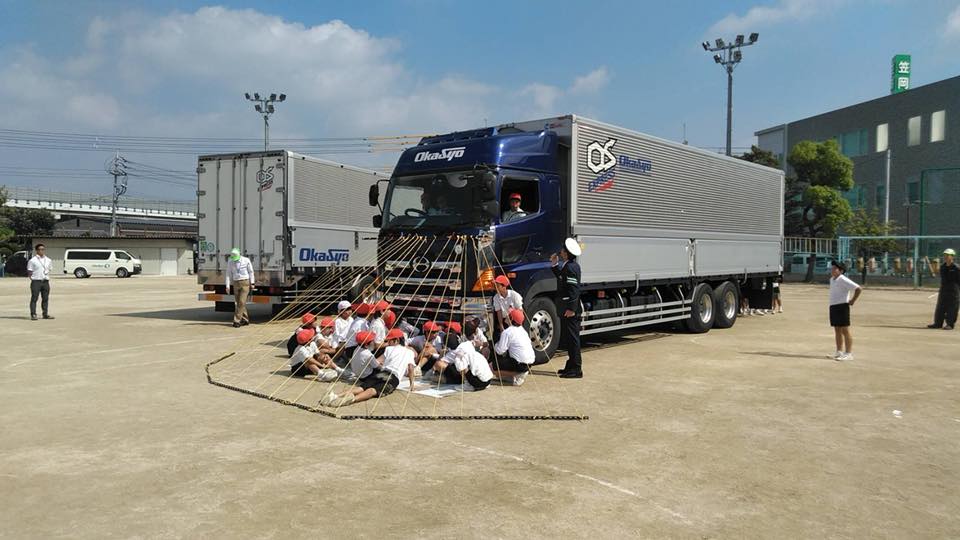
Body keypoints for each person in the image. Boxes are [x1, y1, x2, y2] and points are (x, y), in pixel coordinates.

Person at [321, 329, 417, 407]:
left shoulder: (388, 349)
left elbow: (379, 360)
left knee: (362, 387)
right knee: (373, 391)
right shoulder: (410, 352)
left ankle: (336, 395)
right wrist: (412, 384)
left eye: (389, 341)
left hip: (383, 372)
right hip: (393, 377)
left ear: (396, 340)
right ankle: (353, 399)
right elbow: (411, 368)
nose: (388, 343)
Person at [553, 238, 583, 378]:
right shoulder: (569, 265)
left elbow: (573, 290)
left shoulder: (570, 267)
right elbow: (561, 277)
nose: (560, 252)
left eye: (562, 250)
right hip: (568, 308)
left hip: (571, 310)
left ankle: (576, 369)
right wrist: (554, 265)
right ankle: (570, 365)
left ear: (566, 253)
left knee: (573, 339)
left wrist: (571, 308)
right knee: (570, 339)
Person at [828, 260, 862, 361]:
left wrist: (852, 300)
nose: (832, 270)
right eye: (832, 268)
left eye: (835, 269)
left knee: (845, 330)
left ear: (841, 271)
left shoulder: (843, 279)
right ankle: (839, 351)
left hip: (842, 306)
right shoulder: (832, 279)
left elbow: (858, 288)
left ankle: (849, 353)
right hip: (833, 306)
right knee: (837, 330)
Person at [492, 308, 536, 385]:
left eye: (509, 315)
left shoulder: (507, 332)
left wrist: (495, 344)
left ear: (511, 318)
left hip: (519, 364)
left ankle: (518, 374)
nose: (506, 316)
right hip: (529, 363)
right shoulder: (523, 330)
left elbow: (500, 350)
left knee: (491, 367)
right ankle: (516, 377)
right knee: (501, 370)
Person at [929, 248, 959, 330]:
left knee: (952, 308)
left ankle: (950, 324)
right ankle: (938, 323)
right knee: (940, 307)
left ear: (952, 256)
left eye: (947, 255)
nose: (945, 257)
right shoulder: (943, 267)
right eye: (945, 255)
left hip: (954, 291)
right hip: (943, 290)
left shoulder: (956, 268)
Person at [224, 248, 255, 328]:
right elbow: (228, 274)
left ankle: (237, 320)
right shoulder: (230, 261)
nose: (234, 260)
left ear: (239, 255)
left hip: (245, 282)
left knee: (241, 301)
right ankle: (245, 319)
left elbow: (251, 272)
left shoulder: (246, 260)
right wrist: (227, 286)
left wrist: (252, 282)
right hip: (236, 283)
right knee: (239, 303)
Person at [27, 243, 54, 321]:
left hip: (45, 281)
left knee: (45, 298)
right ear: (36, 250)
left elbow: (50, 268)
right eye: (39, 249)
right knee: (34, 298)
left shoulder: (48, 260)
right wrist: (33, 279)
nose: (41, 251)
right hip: (36, 281)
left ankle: (45, 314)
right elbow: (29, 271)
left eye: (43, 249)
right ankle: (33, 314)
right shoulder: (32, 260)